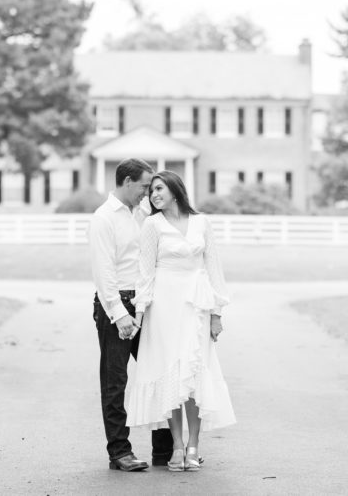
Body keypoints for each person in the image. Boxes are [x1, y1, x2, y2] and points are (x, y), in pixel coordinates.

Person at [125, 170, 236, 471]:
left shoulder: (202, 223)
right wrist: (138, 316)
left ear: (175, 189)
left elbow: (214, 268)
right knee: (171, 375)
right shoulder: (152, 225)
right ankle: (176, 446)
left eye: (159, 189)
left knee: (194, 374)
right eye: (151, 192)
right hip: (163, 309)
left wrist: (217, 313)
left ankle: (194, 447)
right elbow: (145, 275)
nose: (154, 195)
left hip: (196, 307)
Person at [89, 158, 175, 472]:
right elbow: (103, 272)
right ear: (127, 182)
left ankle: (165, 450)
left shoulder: (143, 215)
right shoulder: (104, 218)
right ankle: (119, 452)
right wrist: (118, 314)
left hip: (145, 304)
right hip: (118, 307)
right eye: (143, 185)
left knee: (161, 374)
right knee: (116, 381)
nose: (147, 192)